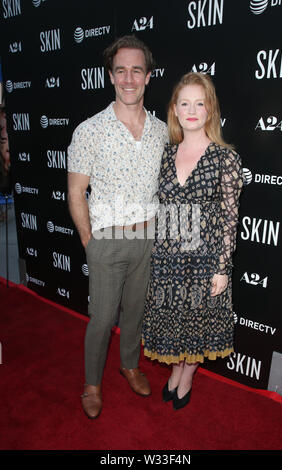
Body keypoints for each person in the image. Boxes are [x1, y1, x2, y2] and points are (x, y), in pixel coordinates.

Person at [67, 35, 168, 419]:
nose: (129, 78)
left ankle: (129, 365)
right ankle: (92, 383)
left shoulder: (161, 131)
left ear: (147, 77)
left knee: (135, 313)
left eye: (136, 70)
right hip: (106, 239)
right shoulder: (89, 130)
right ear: (111, 76)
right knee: (103, 318)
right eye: (121, 70)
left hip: (147, 236)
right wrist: (90, 242)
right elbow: (76, 192)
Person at [142, 72, 243, 410]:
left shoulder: (225, 158)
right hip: (168, 257)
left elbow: (230, 219)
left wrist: (222, 269)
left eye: (200, 103)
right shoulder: (164, 155)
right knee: (173, 322)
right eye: (184, 102)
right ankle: (175, 372)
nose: (192, 109)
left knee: (199, 325)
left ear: (210, 110)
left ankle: (187, 377)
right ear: (174, 109)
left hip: (205, 260)